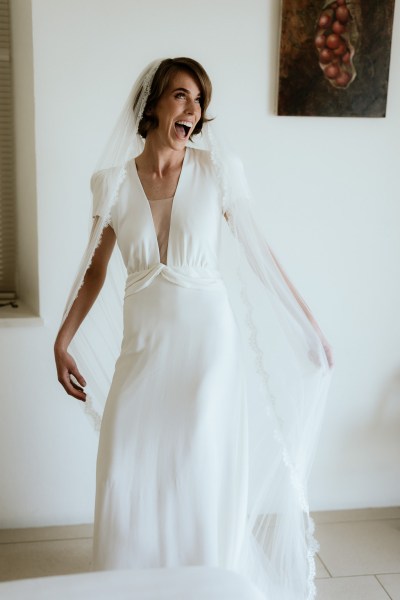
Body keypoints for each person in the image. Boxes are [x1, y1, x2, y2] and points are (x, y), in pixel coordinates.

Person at [54, 57, 333, 600]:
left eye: (200, 100)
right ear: (154, 102)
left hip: (208, 346)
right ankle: (130, 585)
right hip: (143, 347)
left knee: (198, 468)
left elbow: (259, 253)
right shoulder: (110, 183)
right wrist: (61, 340)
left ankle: (204, 585)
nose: (193, 109)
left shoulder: (217, 170)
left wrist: (307, 324)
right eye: (182, 95)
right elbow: (94, 270)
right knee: (123, 468)